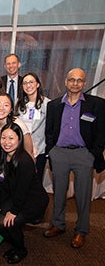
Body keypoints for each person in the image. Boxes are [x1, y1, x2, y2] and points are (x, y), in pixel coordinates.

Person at [43, 68, 105, 249]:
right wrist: (51, 151)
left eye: (79, 80)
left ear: (84, 83)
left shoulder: (96, 104)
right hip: (59, 153)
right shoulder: (54, 105)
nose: (75, 83)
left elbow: (101, 133)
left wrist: (92, 154)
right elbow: (49, 131)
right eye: (72, 80)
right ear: (66, 82)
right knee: (59, 192)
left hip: (83, 154)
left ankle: (81, 230)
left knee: (83, 195)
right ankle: (58, 224)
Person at [0, 123, 48, 264]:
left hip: (32, 201)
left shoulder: (24, 161)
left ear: (19, 140)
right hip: (16, 197)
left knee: (10, 222)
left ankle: (21, 250)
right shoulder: (3, 157)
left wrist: (13, 211)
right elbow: (3, 186)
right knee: (0, 223)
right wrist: (2, 206)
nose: (6, 142)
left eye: (11, 138)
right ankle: (15, 244)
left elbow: (23, 190)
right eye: (3, 138)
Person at [15, 72, 50, 182]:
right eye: (25, 83)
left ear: (38, 84)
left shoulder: (47, 104)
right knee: (21, 179)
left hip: (39, 148)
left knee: (36, 179)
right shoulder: (19, 102)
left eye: (31, 82)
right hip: (21, 148)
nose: (28, 85)